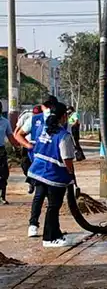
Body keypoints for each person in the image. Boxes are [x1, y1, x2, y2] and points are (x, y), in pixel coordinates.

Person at [25, 102, 75, 248]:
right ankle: (49, 238)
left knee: (47, 203)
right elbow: (67, 159)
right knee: (53, 206)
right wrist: (71, 174)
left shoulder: (42, 129)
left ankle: (56, 233)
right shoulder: (63, 136)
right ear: (64, 117)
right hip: (53, 176)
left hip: (37, 172)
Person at [15, 96, 59, 234]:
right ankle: (33, 224)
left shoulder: (59, 120)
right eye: (46, 106)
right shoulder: (34, 119)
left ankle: (53, 228)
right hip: (38, 164)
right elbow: (18, 134)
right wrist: (29, 146)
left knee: (52, 197)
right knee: (40, 194)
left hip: (53, 164)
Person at [0, 101, 13, 204]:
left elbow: (10, 136)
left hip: (1, 151)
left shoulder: (5, 122)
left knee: (3, 174)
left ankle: (2, 196)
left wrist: (17, 148)